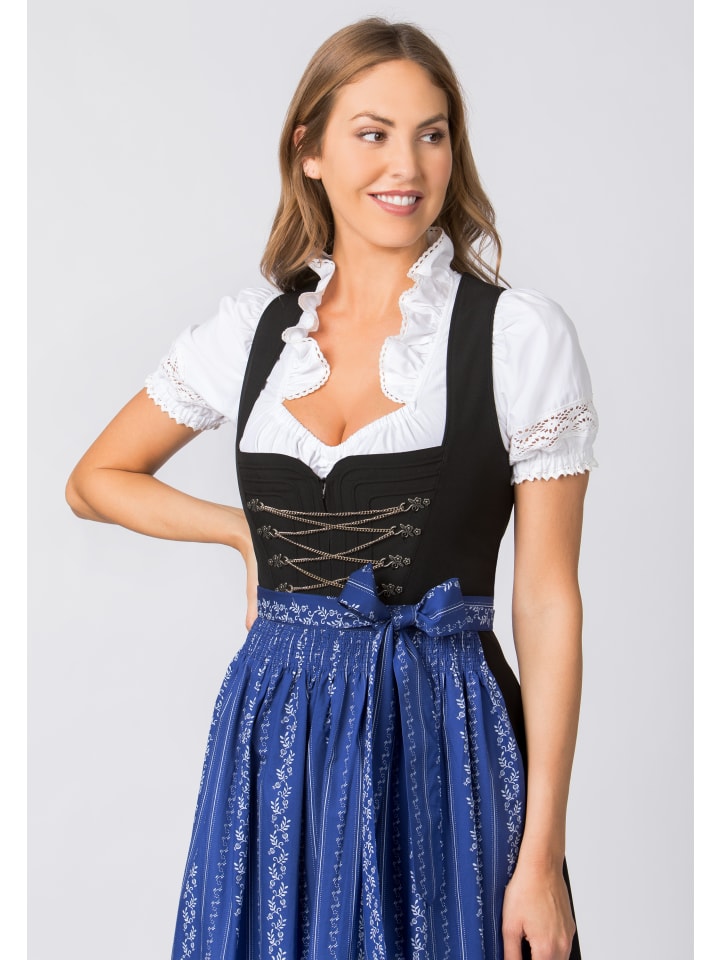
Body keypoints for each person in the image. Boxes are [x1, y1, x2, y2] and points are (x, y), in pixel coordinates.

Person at [66, 17, 597, 960]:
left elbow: (548, 599)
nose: (407, 165)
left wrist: (542, 855)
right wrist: (241, 534)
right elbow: (94, 481)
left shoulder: (517, 336)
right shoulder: (255, 333)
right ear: (309, 151)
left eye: (432, 134)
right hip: (278, 737)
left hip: (442, 734)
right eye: (373, 133)